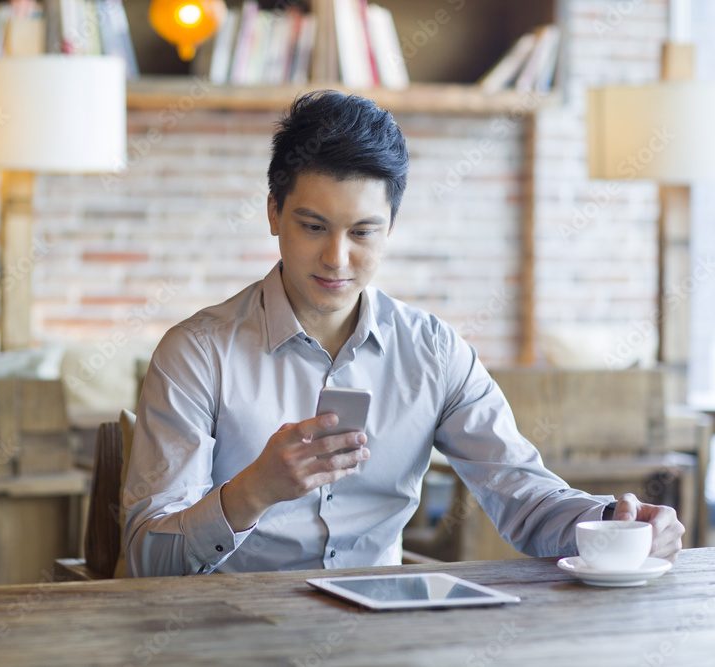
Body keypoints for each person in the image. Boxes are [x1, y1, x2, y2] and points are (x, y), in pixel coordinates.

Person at [122, 91, 684, 577]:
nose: (336, 258)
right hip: (223, 633)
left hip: (383, 631)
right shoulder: (196, 353)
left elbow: (524, 498)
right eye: (312, 226)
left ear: (392, 225)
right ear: (274, 212)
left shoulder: (434, 353)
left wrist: (616, 521)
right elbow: (147, 558)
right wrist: (254, 490)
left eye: (363, 231)